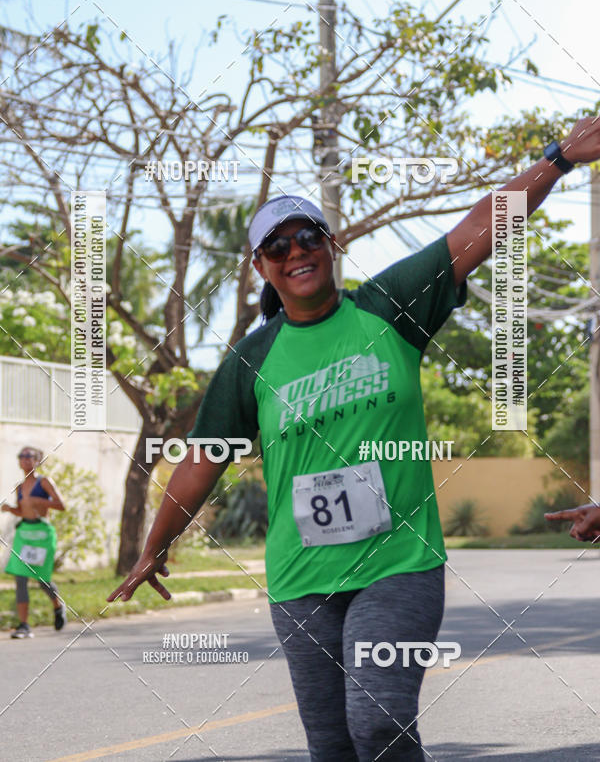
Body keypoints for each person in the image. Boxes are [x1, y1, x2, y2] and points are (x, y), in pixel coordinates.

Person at [109, 117, 600, 761]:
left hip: (398, 566)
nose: (295, 251)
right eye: (276, 247)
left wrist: (559, 158)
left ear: (330, 243)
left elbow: (482, 227)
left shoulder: (388, 306)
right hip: (300, 581)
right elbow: (202, 461)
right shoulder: (251, 360)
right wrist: (154, 547)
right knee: (332, 746)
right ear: (260, 266)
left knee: (377, 720)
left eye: (307, 236)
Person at [2, 446, 67, 638]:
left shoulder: (44, 482)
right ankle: (24, 626)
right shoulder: (19, 487)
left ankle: (58, 606)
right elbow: (23, 511)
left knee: (41, 579)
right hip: (25, 533)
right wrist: (10, 509)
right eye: (21, 456)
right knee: (20, 578)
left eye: (29, 456)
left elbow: (61, 505)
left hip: (42, 534)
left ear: (37, 460)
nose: (25, 459)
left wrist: (42, 502)